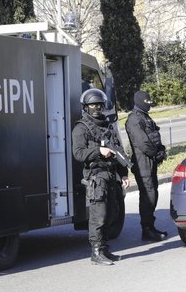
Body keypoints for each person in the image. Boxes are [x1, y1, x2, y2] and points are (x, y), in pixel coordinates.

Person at [72, 88, 130, 266]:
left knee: (111, 213)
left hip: (111, 174)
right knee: (100, 215)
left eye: (98, 104)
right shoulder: (81, 128)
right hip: (96, 176)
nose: (96, 107)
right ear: (86, 107)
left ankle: (104, 249)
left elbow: (118, 151)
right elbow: (78, 153)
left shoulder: (107, 126)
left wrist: (124, 173)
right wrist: (98, 151)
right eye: (92, 105)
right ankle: (96, 252)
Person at [125, 90, 168, 241]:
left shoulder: (144, 116)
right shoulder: (134, 120)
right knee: (148, 197)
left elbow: (154, 136)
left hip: (149, 163)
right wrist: (156, 154)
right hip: (143, 164)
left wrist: (161, 150)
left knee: (152, 194)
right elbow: (143, 143)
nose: (149, 105)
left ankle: (150, 226)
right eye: (147, 103)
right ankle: (147, 229)